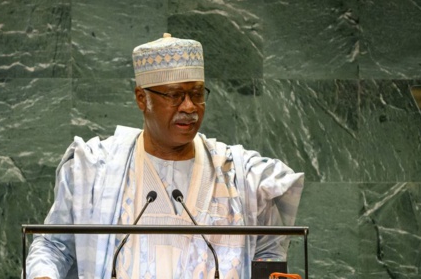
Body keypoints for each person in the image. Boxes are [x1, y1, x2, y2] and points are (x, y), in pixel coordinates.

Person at [26, 33, 304, 279]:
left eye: (197, 94)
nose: (189, 107)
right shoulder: (95, 168)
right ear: (141, 98)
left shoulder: (239, 175)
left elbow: (268, 253)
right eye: (175, 95)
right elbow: (54, 245)